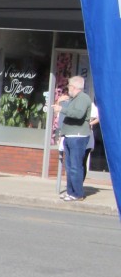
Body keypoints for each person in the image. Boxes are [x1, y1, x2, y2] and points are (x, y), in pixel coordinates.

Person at [55, 75, 93, 203]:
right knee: (69, 165)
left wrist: (62, 109)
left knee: (76, 166)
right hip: (69, 135)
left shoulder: (83, 98)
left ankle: (78, 193)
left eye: (69, 86)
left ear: (75, 87)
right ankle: (70, 192)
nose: (68, 88)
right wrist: (61, 102)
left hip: (78, 136)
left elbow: (78, 114)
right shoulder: (73, 99)